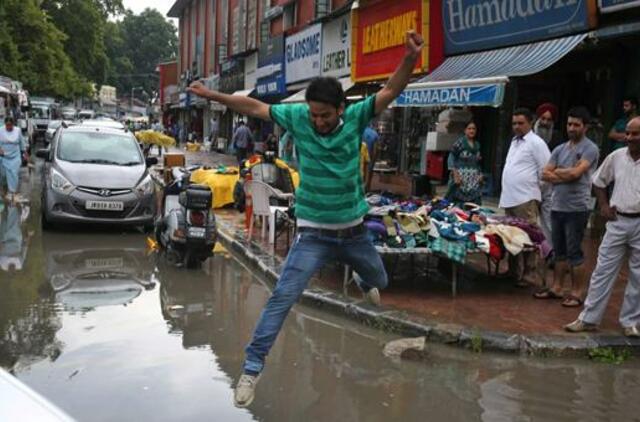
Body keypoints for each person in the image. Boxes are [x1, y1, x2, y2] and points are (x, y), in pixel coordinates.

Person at [188, 30, 424, 408]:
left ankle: (365, 278)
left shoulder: (358, 114)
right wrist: (212, 96)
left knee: (379, 279)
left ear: (341, 110)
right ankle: (251, 369)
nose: (318, 122)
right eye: (313, 115)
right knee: (282, 296)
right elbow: (252, 108)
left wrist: (409, 59)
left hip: (354, 232)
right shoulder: (299, 117)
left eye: (325, 116)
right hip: (314, 235)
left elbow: (390, 92)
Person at [565, 116, 640, 337]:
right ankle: (588, 319)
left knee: (638, 276)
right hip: (618, 221)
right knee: (602, 271)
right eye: (627, 133)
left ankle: (630, 323)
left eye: (635, 134)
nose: (629, 138)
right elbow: (598, 182)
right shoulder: (616, 157)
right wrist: (604, 205)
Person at [537, 107, 599, 307]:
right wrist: (566, 173)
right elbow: (545, 173)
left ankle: (577, 292)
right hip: (557, 206)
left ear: (585, 127)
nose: (571, 128)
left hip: (577, 208)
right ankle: (556, 287)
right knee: (559, 250)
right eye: (569, 124)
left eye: (576, 125)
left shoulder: (590, 148)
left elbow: (577, 174)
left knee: (574, 252)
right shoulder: (559, 148)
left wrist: (561, 174)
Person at [499, 108, 551, 285]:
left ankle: (529, 273)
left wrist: (536, 193)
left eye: (520, 123)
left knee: (529, 236)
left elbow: (545, 170)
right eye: (514, 123)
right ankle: (514, 271)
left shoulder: (536, 142)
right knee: (512, 236)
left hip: (526, 198)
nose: (516, 126)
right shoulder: (514, 141)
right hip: (510, 197)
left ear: (530, 122)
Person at [446, 120, 483, 205]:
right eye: (469, 128)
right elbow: (451, 157)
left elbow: (477, 163)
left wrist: (480, 174)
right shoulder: (460, 143)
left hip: (473, 180)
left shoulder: (477, 145)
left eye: (473, 129)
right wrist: (455, 174)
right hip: (460, 179)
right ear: (465, 130)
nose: (471, 131)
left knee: (473, 206)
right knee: (456, 204)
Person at [0, 117, 28, 203]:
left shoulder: (17, 130)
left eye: (10, 125)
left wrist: (25, 153)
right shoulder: (1, 130)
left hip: (15, 157)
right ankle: (4, 189)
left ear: (13, 124)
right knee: (3, 175)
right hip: (4, 156)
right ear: (5, 124)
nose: (8, 127)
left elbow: (21, 142)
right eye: (7, 125)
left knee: (14, 174)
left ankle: (12, 193)